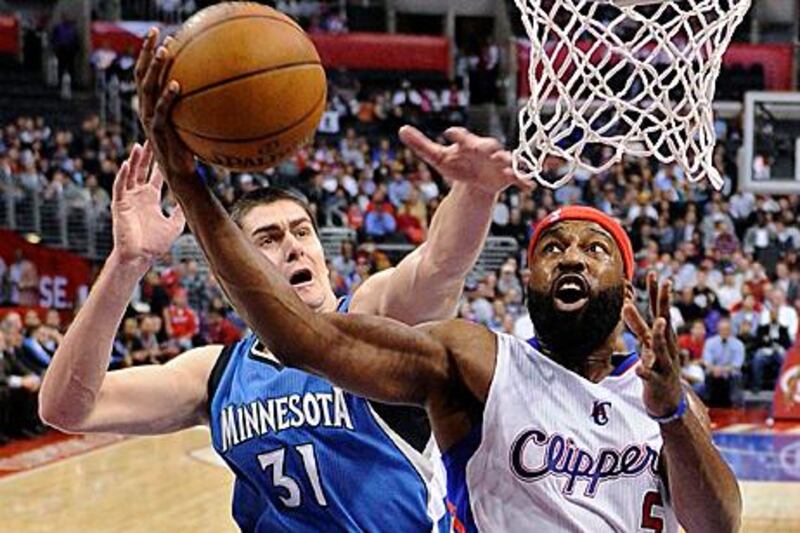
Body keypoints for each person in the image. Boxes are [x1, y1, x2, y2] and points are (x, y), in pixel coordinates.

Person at [152, 110, 742, 533]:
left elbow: (718, 525)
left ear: (627, 287)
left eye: (594, 249)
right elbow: (303, 339)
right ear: (526, 281)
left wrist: (669, 412)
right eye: (552, 248)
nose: (570, 257)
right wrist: (190, 187)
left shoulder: (669, 403)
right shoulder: (475, 362)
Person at [39, 27, 531, 532]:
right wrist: (126, 264)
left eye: (303, 231)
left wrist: (475, 194)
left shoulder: (369, 321)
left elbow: (438, 265)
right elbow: (67, 407)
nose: (294, 245)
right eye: (269, 239)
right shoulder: (215, 373)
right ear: (236, 262)